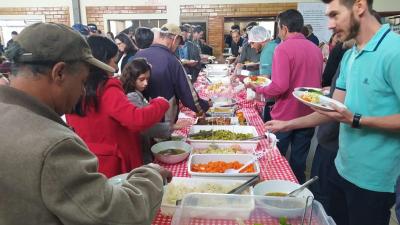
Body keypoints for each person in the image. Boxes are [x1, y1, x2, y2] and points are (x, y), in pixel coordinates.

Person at [1, 22, 172, 225]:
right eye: (82, 81)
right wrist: (151, 175)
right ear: (59, 73)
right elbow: (117, 215)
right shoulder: (53, 145)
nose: (83, 92)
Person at [267, 0, 400, 224]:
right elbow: (333, 110)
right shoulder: (350, 55)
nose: (329, 25)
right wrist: (286, 124)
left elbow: (348, 116)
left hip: (374, 180)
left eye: (335, 15)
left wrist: (356, 120)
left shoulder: (394, 52)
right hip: (341, 167)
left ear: (359, 7)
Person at [66, 35, 169, 178]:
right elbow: (136, 120)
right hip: (114, 163)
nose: (115, 67)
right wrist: (160, 103)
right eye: (114, 61)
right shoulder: (106, 88)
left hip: (88, 160)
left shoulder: (73, 87)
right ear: (100, 62)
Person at [247, 9, 323, 184]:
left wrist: (259, 89)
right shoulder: (315, 49)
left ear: (285, 28)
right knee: (299, 160)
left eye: (279, 28)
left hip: (285, 115)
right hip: (309, 115)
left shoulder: (283, 48)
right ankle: (298, 190)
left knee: (274, 158)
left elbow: (279, 87)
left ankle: (273, 190)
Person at [134, 23, 210, 125]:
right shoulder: (171, 60)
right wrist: (204, 108)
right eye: (178, 43)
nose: (178, 47)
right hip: (163, 119)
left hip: (139, 118)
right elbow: (186, 92)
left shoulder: (138, 54)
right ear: (175, 39)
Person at [120, 58, 191, 163]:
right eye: (141, 79)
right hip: (137, 146)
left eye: (147, 79)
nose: (145, 83)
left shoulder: (136, 93)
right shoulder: (131, 96)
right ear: (131, 78)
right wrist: (173, 126)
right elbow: (144, 127)